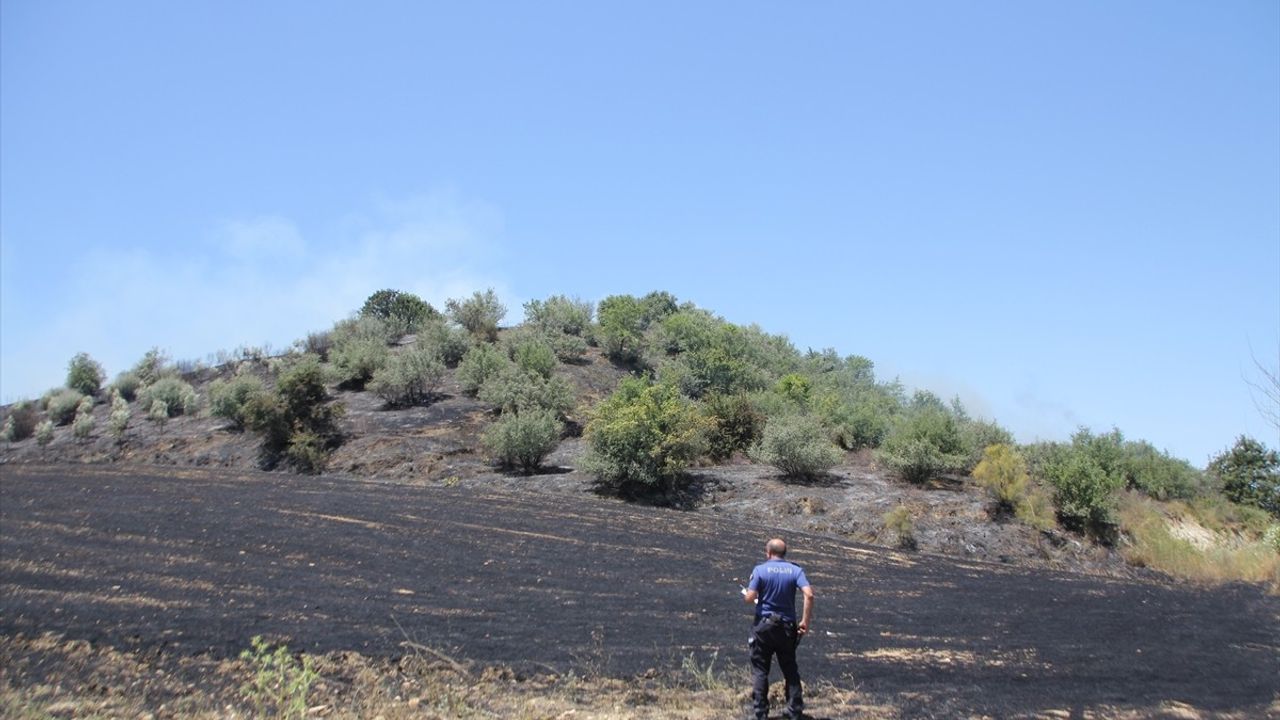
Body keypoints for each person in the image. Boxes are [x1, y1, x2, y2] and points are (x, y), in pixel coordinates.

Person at [743, 537, 813, 720]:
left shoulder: (760, 570)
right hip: (787, 627)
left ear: (768, 553)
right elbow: (809, 594)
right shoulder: (796, 570)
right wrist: (805, 621)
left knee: (760, 670)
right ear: (784, 553)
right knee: (790, 669)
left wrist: (753, 593)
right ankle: (795, 710)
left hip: (764, 626)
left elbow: (749, 598)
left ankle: (760, 713)